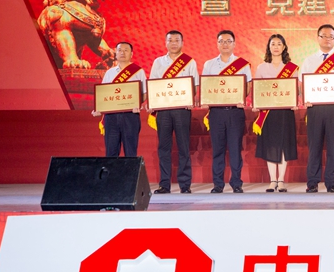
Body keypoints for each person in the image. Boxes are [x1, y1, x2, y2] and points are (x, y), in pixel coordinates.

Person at [299, 24, 334, 193]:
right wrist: (306, 99)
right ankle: (312, 182)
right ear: (318, 38)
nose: (327, 39)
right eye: (323, 36)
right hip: (315, 108)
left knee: (333, 146)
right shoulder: (309, 60)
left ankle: (332, 183)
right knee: (314, 146)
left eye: (331, 36)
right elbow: (302, 83)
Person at [148, 30, 199, 194]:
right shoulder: (158, 62)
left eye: (177, 40)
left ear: (182, 43)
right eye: (170, 40)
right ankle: (164, 184)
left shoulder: (189, 62)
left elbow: (195, 85)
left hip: (182, 110)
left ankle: (185, 185)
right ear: (166, 43)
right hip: (163, 110)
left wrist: (191, 99)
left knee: (183, 147)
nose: (174, 43)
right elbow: (153, 84)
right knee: (164, 147)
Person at [201, 30, 251, 194]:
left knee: (235, 148)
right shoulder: (209, 64)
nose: (225, 44)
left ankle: (236, 183)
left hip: (235, 112)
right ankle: (218, 184)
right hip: (216, 112)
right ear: (217, 44)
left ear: (234, 44)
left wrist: (241, 97)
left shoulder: (242, 64)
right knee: (218, 149)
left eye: (229, 41)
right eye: (221, 41)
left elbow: (248, 86)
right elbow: (206, 86)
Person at [253, 34, 299, 193]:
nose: (276, 47)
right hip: (268, 113)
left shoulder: (292, 68)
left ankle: (281, 180)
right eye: (273, 44)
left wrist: (294, 102)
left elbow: (294, 90)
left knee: (284, 145)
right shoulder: (261, 68)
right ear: (269, 47)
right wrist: (256, 104)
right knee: (270, 146)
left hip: (285, 112)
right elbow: (257, 90)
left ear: (284, 47)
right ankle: (272, 180)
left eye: (279, 44)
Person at [92, 42, 147, 157]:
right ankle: (112, 170)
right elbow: (103, 94)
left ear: (131, 54)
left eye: (126, 50)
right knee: (111, 153)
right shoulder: (109, 72)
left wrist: (137, 103)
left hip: (130, 115)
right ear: (115, 53)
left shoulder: (138, 71)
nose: (122, 52)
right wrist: (99, 108)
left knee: (130, 153)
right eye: (120, 50)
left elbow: (144, 93)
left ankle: (130, 170)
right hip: (111, 117)